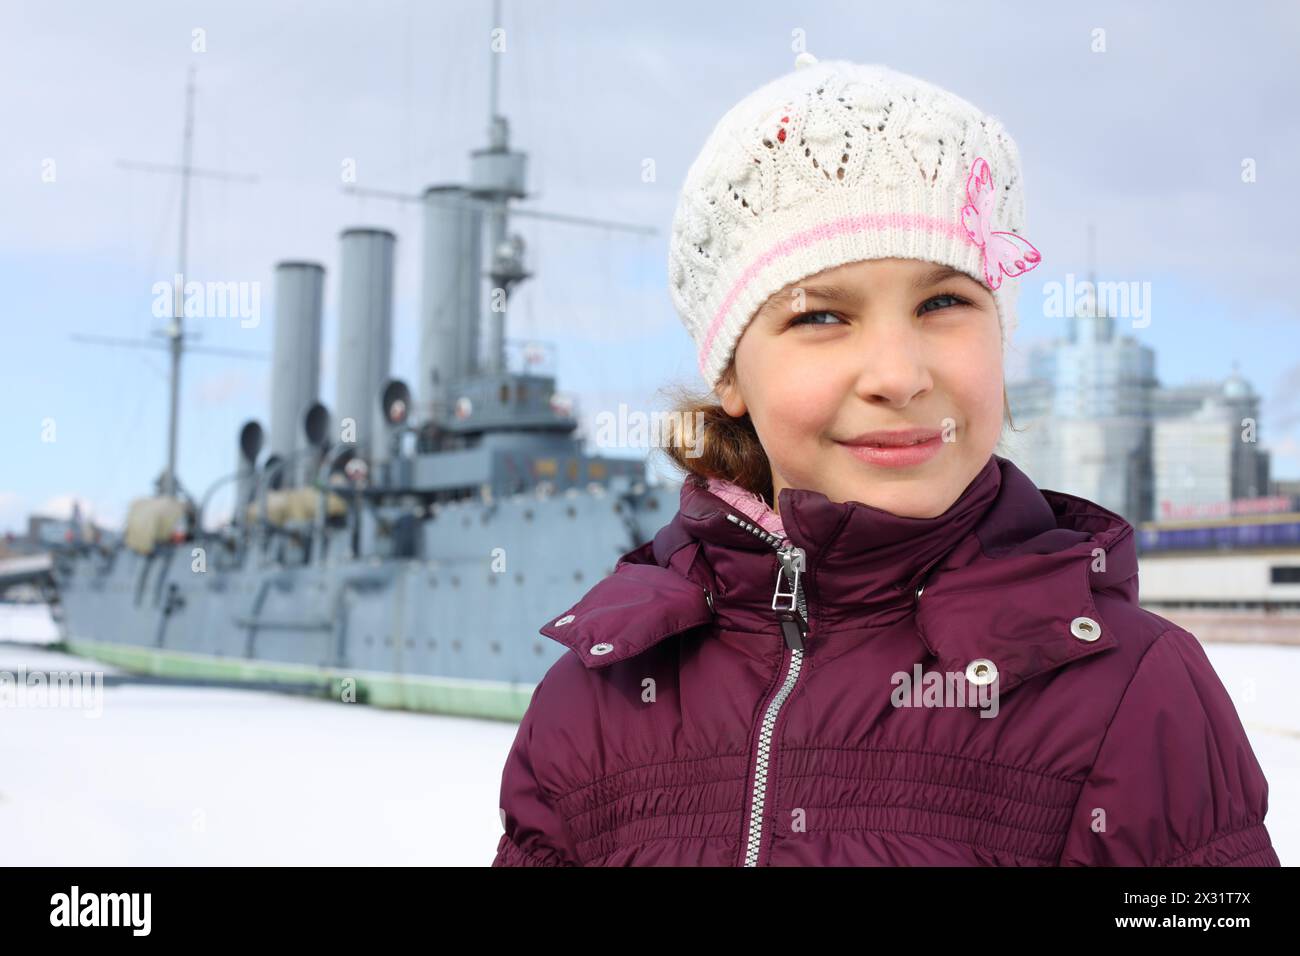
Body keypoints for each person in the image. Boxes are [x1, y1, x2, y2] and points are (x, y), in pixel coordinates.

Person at [491, 54, 1280, 866]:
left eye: (944, 303)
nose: (899, 377)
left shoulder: (1136, 693)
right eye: (822, 317)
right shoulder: (595, 704)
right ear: (728, 370)